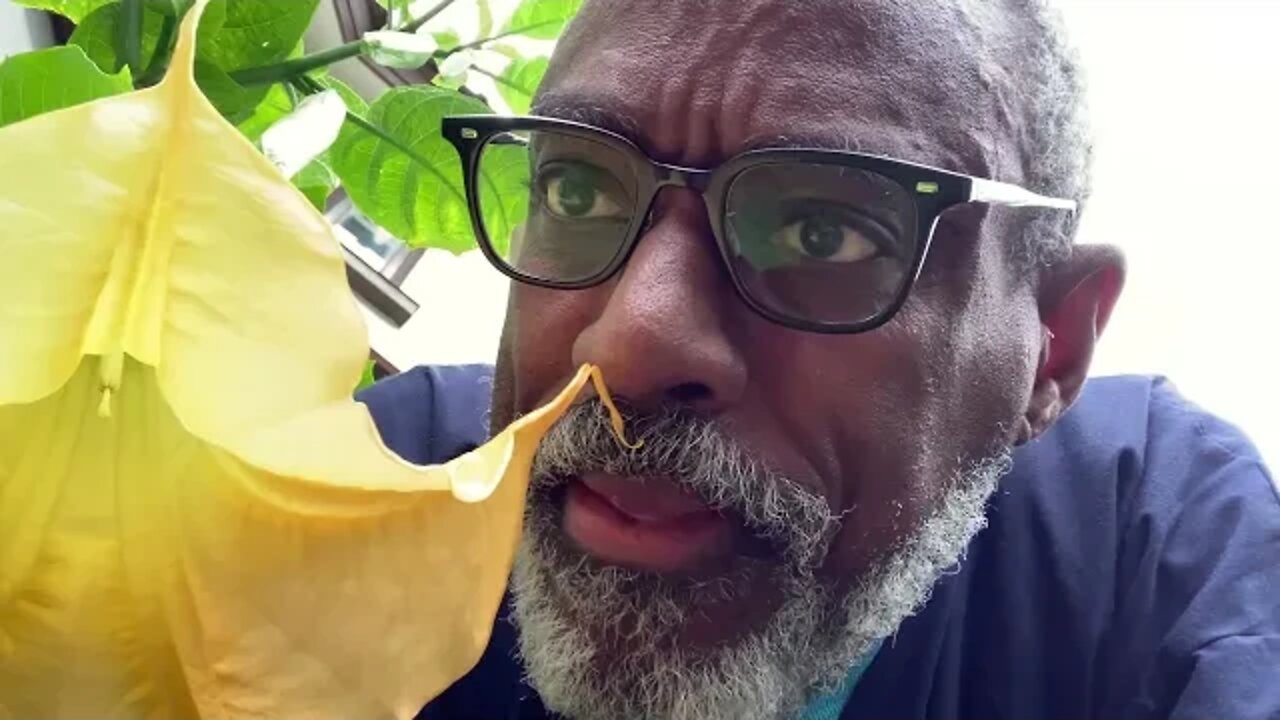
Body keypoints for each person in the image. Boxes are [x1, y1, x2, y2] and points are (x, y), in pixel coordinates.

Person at [357, 1, 1279, 718]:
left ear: (1051, 345)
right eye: (578, 186)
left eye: (824, 231)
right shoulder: (378, 487)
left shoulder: (1148, 546)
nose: (629, 345)